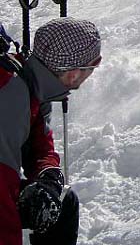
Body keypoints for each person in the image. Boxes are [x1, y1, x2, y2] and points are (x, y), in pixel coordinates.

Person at [0, 17, 102, 245]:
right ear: (74, 73)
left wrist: (48, 175)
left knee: (61, 201)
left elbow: (39, 143)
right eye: (91, 68)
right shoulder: (11, 99)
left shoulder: (27, 80)